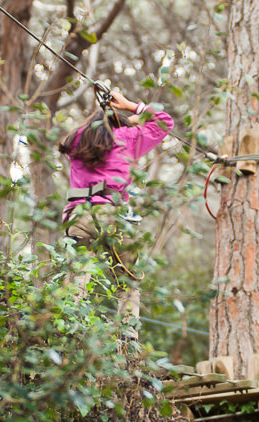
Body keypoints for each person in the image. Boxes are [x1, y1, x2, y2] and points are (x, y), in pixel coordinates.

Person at [59, 91, 174, 340]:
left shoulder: (76, 141)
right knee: (127, 282)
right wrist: (132, 107)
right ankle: (127, 338)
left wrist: (116, 119)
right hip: (114, 215)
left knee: (78, 273)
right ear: (118, 124)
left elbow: (94, 131)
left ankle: (66, 330)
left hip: (80, 214)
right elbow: (164, 122)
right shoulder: (126, 138)